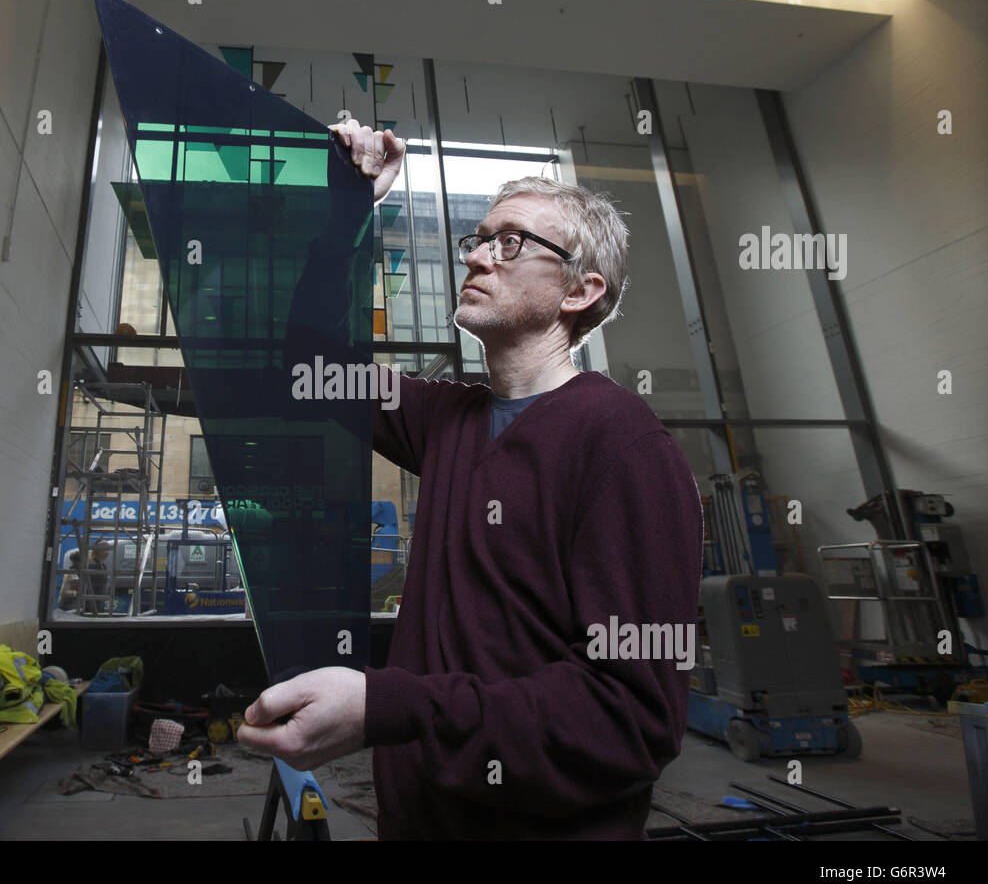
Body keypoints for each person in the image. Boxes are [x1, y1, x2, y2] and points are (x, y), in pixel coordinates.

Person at [237, 119, 704, 840]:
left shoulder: (624, 448)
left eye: (510, 242)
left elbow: (630, 721)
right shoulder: (446, 420)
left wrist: (389, 708)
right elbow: (310, 360)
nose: (479, 257)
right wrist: (350, 209)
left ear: (581, 290)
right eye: (478, 240)